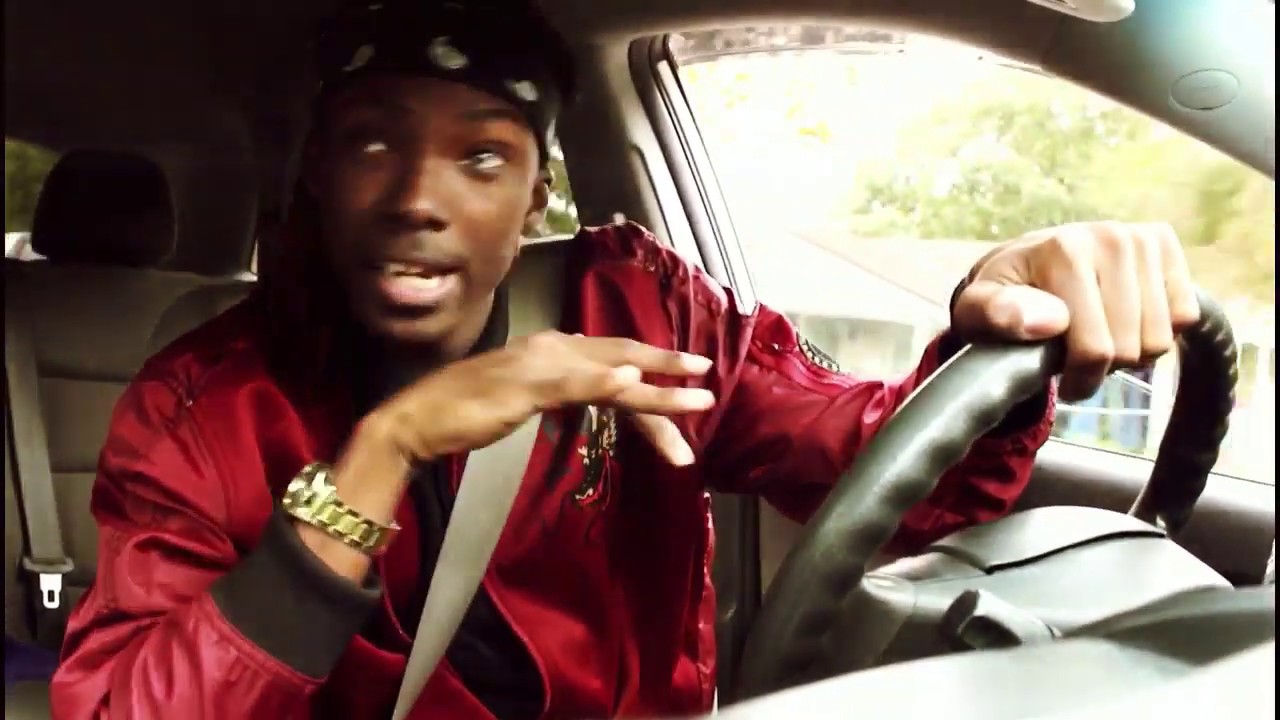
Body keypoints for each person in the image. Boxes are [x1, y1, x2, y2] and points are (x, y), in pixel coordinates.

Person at [49, 2, 1203, 718]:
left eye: (481, 158)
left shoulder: (640, 307)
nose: (414, 199)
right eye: (369, 144)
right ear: (316, 177)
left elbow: (895, 481)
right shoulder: (199, 406)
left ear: (535, 195)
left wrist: (996, 328)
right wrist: (384, 450)